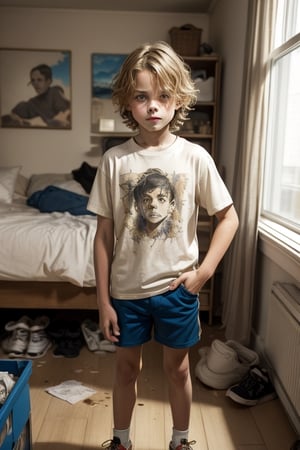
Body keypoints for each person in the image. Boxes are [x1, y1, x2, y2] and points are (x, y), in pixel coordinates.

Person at [88, 41, 239, 450]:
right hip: (126, 294)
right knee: (125, 370)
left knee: (178, 371)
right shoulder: (115, 161)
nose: (153, 106)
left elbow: (229, 218)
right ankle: (120, 440)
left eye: (163, 96)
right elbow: (102, 236)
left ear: (178, 100)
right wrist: (103, 301)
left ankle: (181, 441)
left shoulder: (195, 158)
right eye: (142, 96)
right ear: (127, 101)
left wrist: (204, 273)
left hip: (178, 291)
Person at [2, 64, 70, 128]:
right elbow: (12, 115)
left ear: (48, 81)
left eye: (39, 80)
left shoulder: (55, 93)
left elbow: (65, 116)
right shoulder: (32, 103)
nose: (35, 84)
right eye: (33, 80)